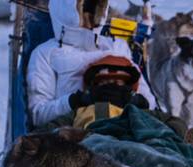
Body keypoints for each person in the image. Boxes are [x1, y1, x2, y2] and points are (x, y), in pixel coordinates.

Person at [27, 0, 152, 128]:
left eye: (95, 7)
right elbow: (38, 116)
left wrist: (133, 99)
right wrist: (76, 100)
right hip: (77, 133)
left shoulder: (117, 47)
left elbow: (151, 103)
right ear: (66, 9)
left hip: (129, 128)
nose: (89, 14)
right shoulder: (46, 53)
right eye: (84, 8)